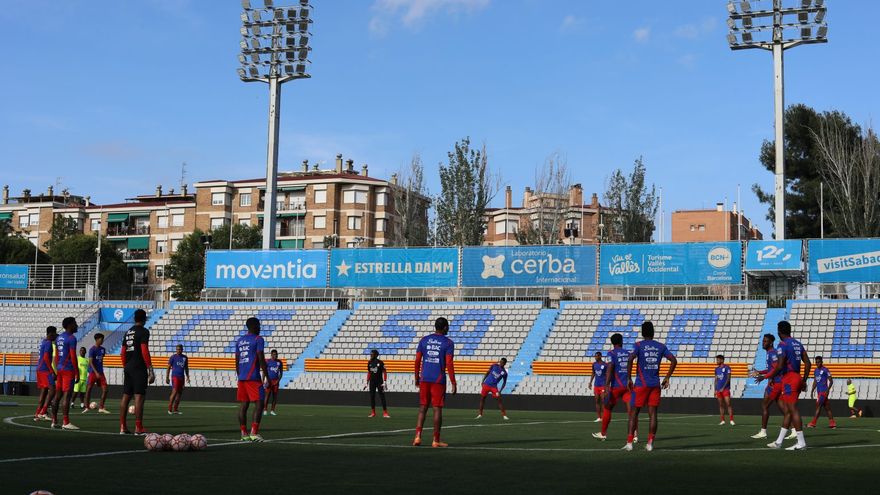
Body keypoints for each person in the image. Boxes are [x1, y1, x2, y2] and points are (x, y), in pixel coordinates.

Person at [623, 321, 677, 452]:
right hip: (655, 384)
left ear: (642, 332)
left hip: (641, 384)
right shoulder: (661, 346)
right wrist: (667, 377)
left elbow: (630, 359)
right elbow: (674, 360)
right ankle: (650, 444)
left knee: (634, 413)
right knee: (653, 414)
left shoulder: (639, 345)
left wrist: (629, 378)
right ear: (653, 332)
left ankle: (629, 443)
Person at [757, 320, 811, 450]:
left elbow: (780, 366)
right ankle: (779, 442)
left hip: (789, 379)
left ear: (779, 331)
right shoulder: (798, 344)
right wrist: (804, 380)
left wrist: (765, 376)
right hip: (797, 377)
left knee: (793, 410)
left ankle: (801, 442)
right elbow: (808, 363)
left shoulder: (782, 344)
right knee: (788, 412)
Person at [413, 317, 456, 448]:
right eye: (448, 326)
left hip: (424, 378)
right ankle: (436, 440)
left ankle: (417, 437)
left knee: (423, 408)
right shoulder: (448, 343)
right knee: (437, 409)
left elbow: (417, 360)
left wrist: (416, 377)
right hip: (438, 379)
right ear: (445, 327)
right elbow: (449, 363)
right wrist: (453, 382)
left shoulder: (424, 340)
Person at [593, 333, 637, 442]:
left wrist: (606, 386)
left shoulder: (611, 353)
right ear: (621, 341)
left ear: (612, 343)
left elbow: (610, 368)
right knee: (631, 411)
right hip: (628, 386)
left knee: (607, 408)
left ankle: (603, 433)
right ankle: (635, 435)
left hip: (616, 387)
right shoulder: (628, 353)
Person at [119, 309, 155, 435]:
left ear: (135, 319)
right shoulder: (144, 331)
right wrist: (150, 368)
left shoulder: (128, 332)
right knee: (139, 396)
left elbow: (122, 352)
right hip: (138, 367)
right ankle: (138, 428)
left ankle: (123, 427)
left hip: (128, 367)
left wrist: (126, 366)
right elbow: (144, 350)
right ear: (145, 319)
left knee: (126, 396)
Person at [236, 317, 268, 442]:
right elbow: (261, 357)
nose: (260, 327)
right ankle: (254, 433)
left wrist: (240, 375)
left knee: (244, 404)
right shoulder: (258, 339)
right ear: (254, 326)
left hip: (242, 377)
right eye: (259, 325)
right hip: (253, 376)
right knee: (260, 403)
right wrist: (267, 376)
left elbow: (237, 360)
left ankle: (244, 434)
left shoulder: (239, 340)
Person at [751, 334, 787, 439]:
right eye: (763, 341)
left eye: (765, 341)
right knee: (783, 407)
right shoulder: (769, 353)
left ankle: (763, 432)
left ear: (771, 343)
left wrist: (765, 377)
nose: (763, 343)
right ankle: (794, 430)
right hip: (774, 382)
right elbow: (771, 368)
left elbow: (776, 368)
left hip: (775, 383)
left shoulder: (772, 353)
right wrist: (760, 372)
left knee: (765, 406)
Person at [50, 317, 80, 430]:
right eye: (75, 323)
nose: (76, 325)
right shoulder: (71, 338)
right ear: (70, 325)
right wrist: (77, 372)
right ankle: (66, 422)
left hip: (60, 369)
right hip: (68, 369)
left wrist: (57, 369)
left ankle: (54, 421)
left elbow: (57, 356)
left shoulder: (59, 338)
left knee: (58, 396)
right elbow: (73, 356)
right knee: (67, 396)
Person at [34, 326, 58, 422]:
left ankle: (37, 413)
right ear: (51, 333)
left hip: (39, 369)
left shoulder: (43, 342)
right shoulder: (48, 343)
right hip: (45, 370)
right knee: (53, 389)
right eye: (55, 334)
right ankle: (43, 412)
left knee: (44, 391)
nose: (56, 336)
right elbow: (46, 358)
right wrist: (52, 371)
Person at [83, 333, 110, 414]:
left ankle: (101, 407)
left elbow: (101, 359)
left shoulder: (103, 349)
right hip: (93, 372)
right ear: (97, 339)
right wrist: (96, 372)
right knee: (89, 389)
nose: (102, 341)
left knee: (105, 390)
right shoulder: (92, 350)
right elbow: (91, 362)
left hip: (101, 373)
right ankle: (86, 407)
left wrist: (99, 372)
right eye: (101, 339)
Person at [808, 356, 836, 428]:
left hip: (823, 392)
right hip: (819, 392)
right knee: (827, 408)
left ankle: (813, 423)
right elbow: (815, 381)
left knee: (818, 406)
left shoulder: (825, 370)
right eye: (816, 362)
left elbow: (831, 381)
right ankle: (832, 423)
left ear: (822, 362)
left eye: (819, 362)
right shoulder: (815, 371)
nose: (817, 363)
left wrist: (828, 389)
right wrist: (812, 390)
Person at [165, 344, 189, 415]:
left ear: (182, 350)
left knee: (179, 394)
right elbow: (168, 367)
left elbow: (186, 368)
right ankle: (169, 409)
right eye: (177, 349)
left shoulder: (185, 358)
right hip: (175, 377)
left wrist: (187, 376)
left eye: (179, 349)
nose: (178, 350)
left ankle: (175, 409)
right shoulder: (173, 357)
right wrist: (167, 377)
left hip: (182, 377)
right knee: (174, 392)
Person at [365, 349, 389, 418]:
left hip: (379, 382)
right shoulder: (369, 362)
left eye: (372, 354)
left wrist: (385, 381)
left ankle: (385, 413)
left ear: (375, 355)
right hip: (372, 382)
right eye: (370, 354)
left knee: (382, 396)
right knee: (372, 397)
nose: (370, 355)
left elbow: (384, 372)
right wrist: (367, 382)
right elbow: (369, 372)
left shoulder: (380, 362)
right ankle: (373, 413)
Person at [714, 354, 734, 426]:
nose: (717, 361)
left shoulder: (727, 367)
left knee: (728, 404)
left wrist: (723, 387)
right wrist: (715, 389)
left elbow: (728, 379)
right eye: (716, 360)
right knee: (721, 405)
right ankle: (722, 420)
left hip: (725, 389)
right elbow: (716, 379)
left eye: (718, 360)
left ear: (722, 360)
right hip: (718, 390)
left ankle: (731, 420)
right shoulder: (716, 369)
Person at [588, 352, 608, 422]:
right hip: (596, 385)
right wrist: (590, 382)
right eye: (595, 356)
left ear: (600, 356)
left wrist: (607, 385)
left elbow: (608, 374)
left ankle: (605, 416)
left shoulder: (605, 365)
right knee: (597, 400)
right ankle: (599, 417)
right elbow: (593, 373)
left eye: (596, 356)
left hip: (603, 385)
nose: (595, 357)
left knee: (603, 400)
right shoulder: (594, 364)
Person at [264, 349, 283, 416]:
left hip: (276, 381)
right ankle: (265, 410)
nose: (275, 356)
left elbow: (281, 373)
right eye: (274, 354)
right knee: (267, 396)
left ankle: (272, 410)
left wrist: (278, 381)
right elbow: (264, 372)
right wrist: (263, 381)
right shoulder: (268, 361)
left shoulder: (279, 362)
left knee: (275, 396)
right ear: (271, 355)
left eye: (276, 354)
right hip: (269, 381)